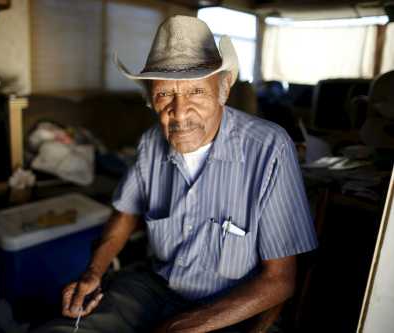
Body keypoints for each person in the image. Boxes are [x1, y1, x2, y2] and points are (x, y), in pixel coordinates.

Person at [34, 15, 317, 333]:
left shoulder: (269, 147)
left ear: (222, 88)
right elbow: (126, 213)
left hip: (229, 306)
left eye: (196, 92)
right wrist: (94, 271)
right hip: (155, 286)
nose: (179, 112)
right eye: (164, 95)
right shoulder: (150, 143)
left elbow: (280, 281)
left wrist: (177, 327)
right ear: (150, 99)